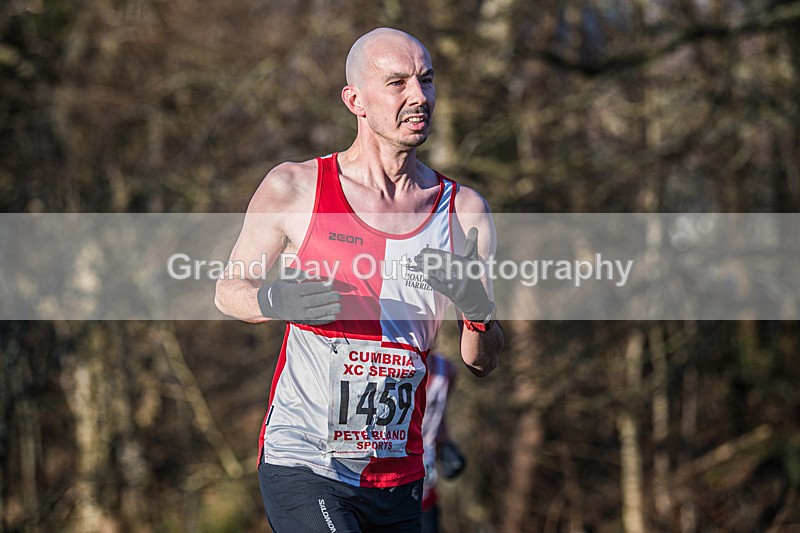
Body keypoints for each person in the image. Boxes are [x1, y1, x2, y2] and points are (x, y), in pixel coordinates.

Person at [215, 27, 505, 533]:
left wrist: (478, 315)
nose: (419, 97)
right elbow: (227, 292)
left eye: (427, 81)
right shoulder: (296, 187)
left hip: (399, 473)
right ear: (356, 100)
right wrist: (276, 298)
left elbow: (483, 362)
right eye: (397, 83)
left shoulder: (464, 211)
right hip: (306, 460)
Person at [421, 353, 466, 533]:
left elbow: (439, 417)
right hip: (383, 487)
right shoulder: (383, 364)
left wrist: (447, 446)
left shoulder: (447, 371)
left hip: (424, 484)